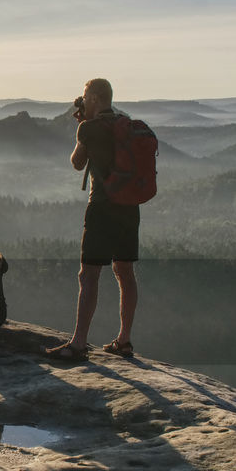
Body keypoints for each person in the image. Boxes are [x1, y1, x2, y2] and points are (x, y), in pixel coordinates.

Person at [45, 77, 138, 362]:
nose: (83, 101)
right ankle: (124, 340)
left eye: (86, 97)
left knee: (89, 275)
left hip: (101, 208)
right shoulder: (126, 124)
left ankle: (78, 343)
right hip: (129, 207)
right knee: (124, 271)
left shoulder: (89, 128)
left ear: (96, 99)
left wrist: (80, 130)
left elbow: (76, 163)